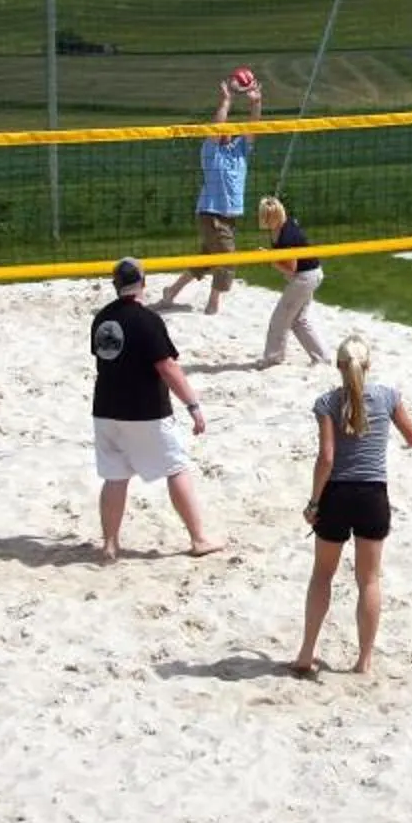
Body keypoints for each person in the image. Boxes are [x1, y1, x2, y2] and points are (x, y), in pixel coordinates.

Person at [290, 333, 412, 676]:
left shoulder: (326, 403)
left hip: (336, 495)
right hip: (372, 495)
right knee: (368, 580)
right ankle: (364, 660)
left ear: (338, 366)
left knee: (322, 574)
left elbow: (326, 458)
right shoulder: (388, 397)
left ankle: (306, 653)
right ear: (369, 364)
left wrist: (313, 502)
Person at [91, 257, 226, 560]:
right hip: (145, 410)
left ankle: (110, 544)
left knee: (115, 476)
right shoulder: (147, 320)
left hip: (105, 408)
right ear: (143, 282)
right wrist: (192, 405)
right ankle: (199, 538)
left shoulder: (101, 318)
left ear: (116, 284)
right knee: (176, 466)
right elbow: (167, 367)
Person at [160, 70, 261, 315]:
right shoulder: (210, 151)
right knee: (227, 258)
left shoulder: (239, 151)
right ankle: (213, 302)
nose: (226, 128)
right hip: (211, 213)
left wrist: (256, 102)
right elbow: (217, 128)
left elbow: (255, 127)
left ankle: (171, 292)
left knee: (206, 259)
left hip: (230, 214)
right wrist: (226, 101)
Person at [255, 194, 327, 369]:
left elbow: (290, 269)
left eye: (265, 216)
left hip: (305, 277)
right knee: (298, 320)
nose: (262, 220)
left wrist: (270, 259)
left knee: (280, 319)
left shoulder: (287, 235)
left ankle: (273, 358)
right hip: (311, 274)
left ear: (272, 217)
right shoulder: (282, 227)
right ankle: (322, 357)